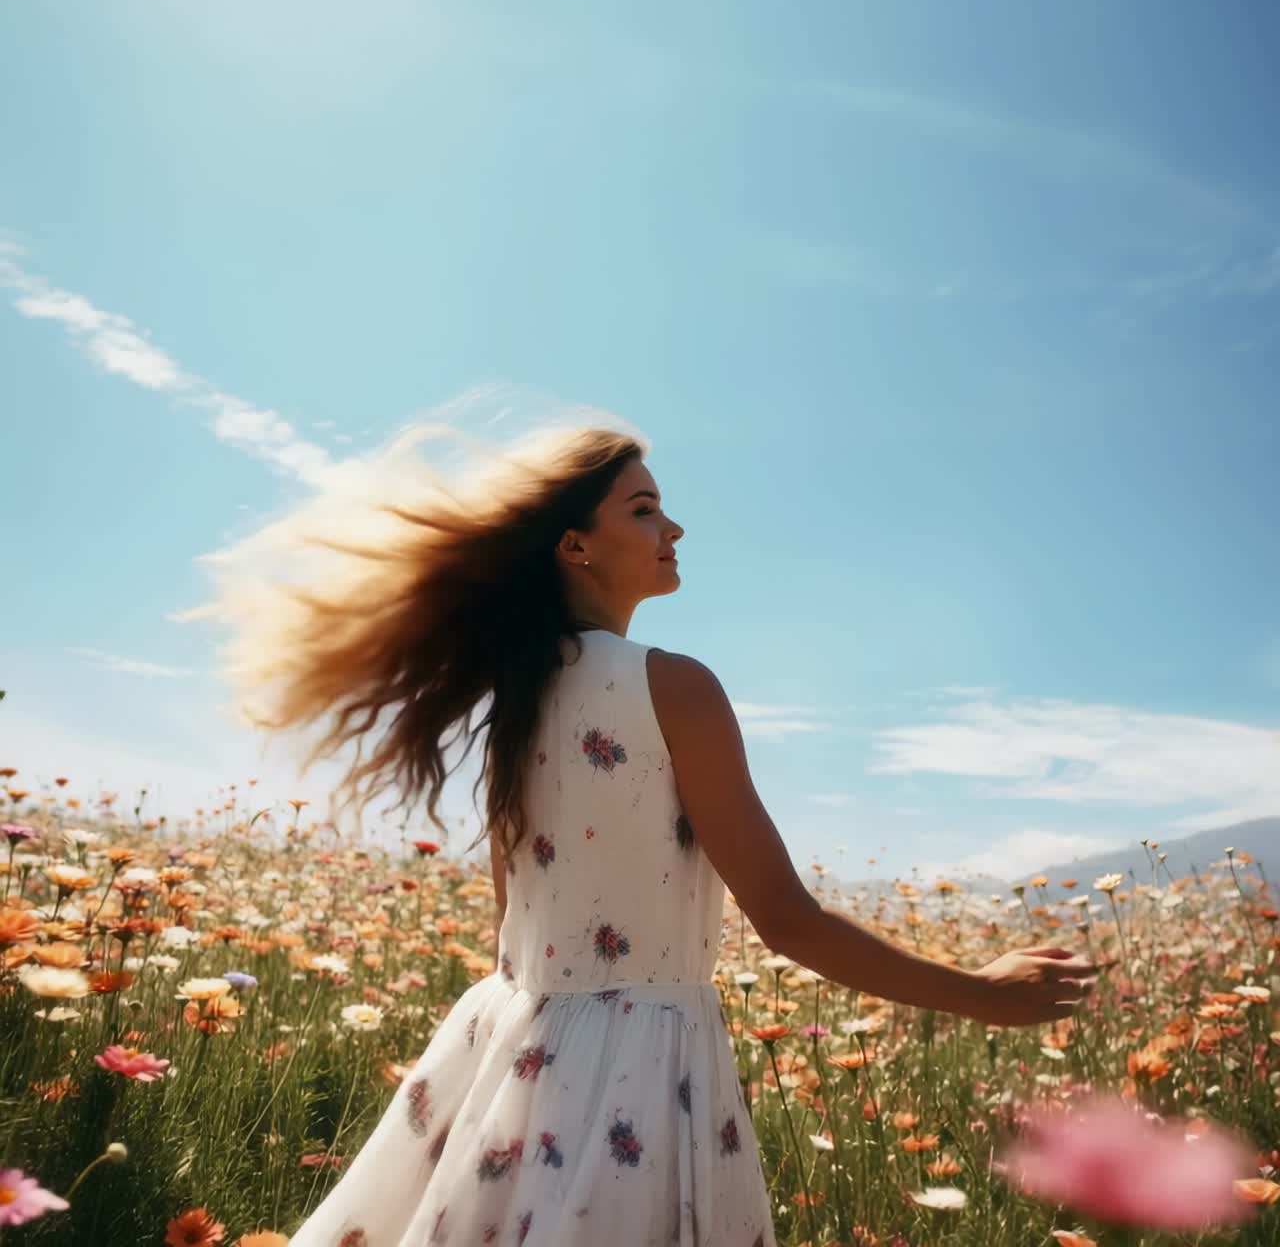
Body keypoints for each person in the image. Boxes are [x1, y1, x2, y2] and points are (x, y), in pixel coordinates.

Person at [209, 419, 1097, 1247]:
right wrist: (984, 993)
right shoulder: (673, 685)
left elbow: (513, 936)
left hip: (506, 1066)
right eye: (644, 509)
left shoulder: (515, 713)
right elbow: (785, 920)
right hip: (640, 1073)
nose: (673, 527)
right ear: (576, 545)